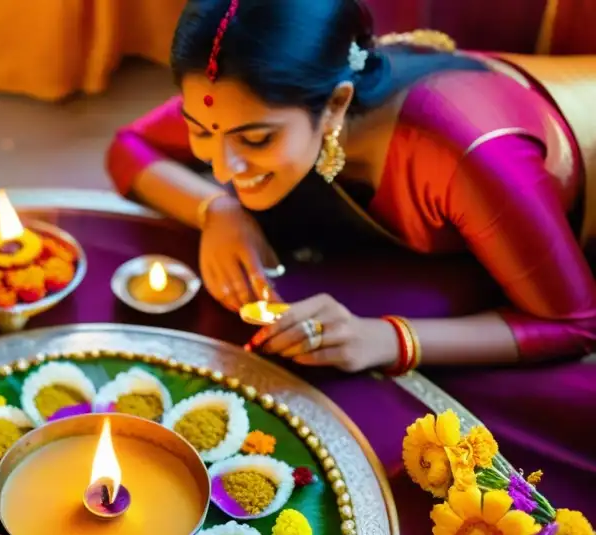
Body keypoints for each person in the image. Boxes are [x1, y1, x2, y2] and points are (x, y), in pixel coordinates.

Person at [106, 0, 596, 374]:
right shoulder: (247, 91)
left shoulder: (466, 154)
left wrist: (386, 341)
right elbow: (127, 148)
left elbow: (575, 324)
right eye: (200, 130)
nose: (225, 167)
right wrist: (216, 209)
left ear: (337, 105)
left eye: (256, 139)